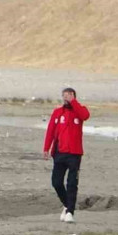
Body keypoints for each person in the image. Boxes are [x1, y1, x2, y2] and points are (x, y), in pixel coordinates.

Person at [43, 88, 89, 223]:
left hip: (74, 153)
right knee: (56, 182)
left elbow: (85, 116)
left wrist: (74, 102)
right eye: (64, 96)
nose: (66, 98)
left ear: (74, 96)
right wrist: (46, 148)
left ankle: (70, 212)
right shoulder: (58, 112)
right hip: (59, 152)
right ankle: (67, 204)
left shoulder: (80, 110)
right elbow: (50, 130)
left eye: (69, 96)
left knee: (72, 183)